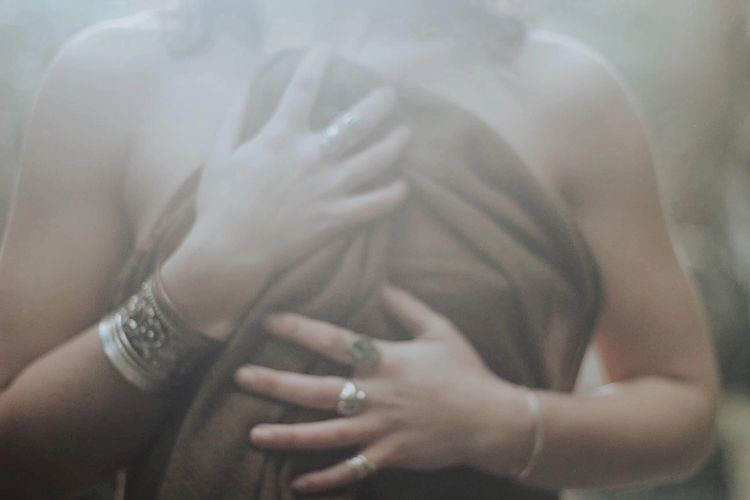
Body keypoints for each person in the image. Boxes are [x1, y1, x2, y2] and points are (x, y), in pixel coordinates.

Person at [0, 0, 718, 498]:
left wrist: (500, 423)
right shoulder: (112, 79)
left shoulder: (567, 94)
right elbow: (16, 459)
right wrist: (201, 280)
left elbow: (682, 410)